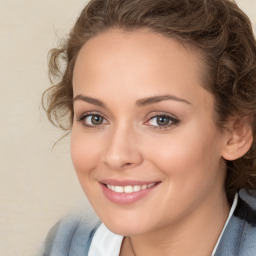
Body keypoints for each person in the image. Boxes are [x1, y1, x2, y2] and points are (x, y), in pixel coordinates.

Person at [41, 0, 256, 255]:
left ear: (236, 132)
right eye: (95, 118)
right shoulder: (65, 242)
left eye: (160, 120)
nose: (116, 156)